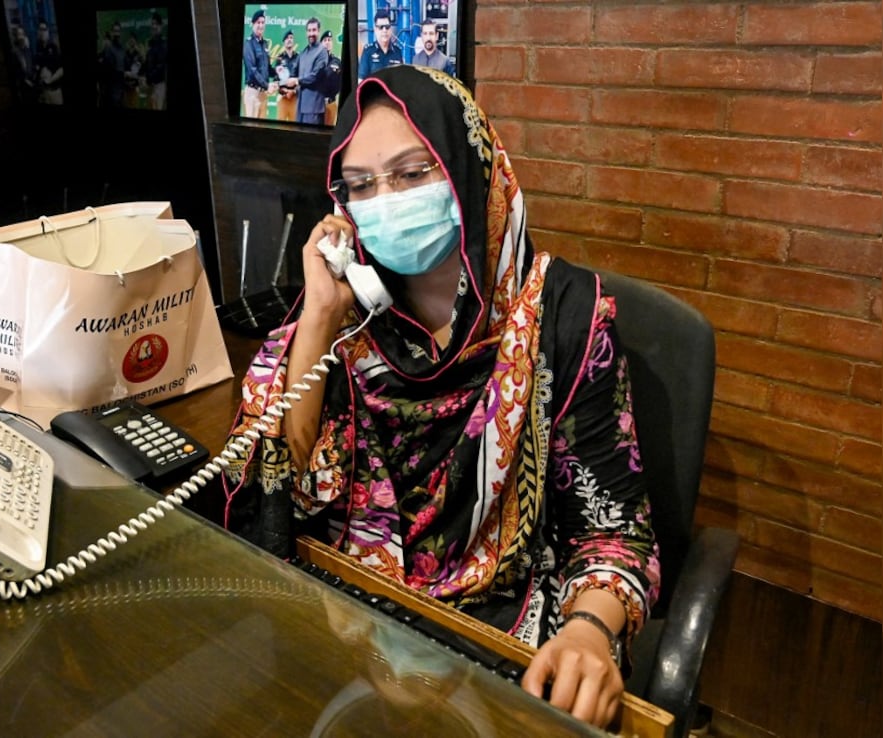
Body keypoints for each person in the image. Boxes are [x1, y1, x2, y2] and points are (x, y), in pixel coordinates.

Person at [220, 66, 660, 730]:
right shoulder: (345, 326)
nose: (385, 200)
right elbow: (261, 501)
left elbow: (612, 530)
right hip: (348, 619)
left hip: (498, 626)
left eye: (412, 173)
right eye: (360, 185)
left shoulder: (565, 318)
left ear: (468, 169)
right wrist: (318, 319)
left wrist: (589, 632)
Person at [287, 17, 328, 125]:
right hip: (300, 106)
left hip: (314, 108)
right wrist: (282, 75)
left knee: (312, 141)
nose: (311, 33)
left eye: (314, 30)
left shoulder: (322, 52)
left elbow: (315, 76)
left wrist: (296, 81)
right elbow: (293, 73)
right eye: (309, 30)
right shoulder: (303, 52)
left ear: (319, 31)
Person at [242, 9, 278, 118]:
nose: (261, 25)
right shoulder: (248, 43)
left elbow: (267, 68)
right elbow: (252, 70)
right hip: (252, 93)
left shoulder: (265, 44)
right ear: (253, 24)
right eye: (258, 22)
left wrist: (279, 72)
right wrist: (267, 85)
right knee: (251, 130)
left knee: (261, 129)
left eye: (263, 22)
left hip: (263, 95)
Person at [357, 9, 403, 81]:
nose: (384, 30)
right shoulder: (368, 51)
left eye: (387, 27)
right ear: (375, 29)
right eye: (381, 27)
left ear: (390, 29)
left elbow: (401, 79)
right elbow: (361, 80)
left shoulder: (397, 51)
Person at [272, 30, 299, 122]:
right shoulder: (279, 58)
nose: (289, 40)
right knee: (280, 127)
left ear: (293, 40)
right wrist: (283, 91)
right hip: (282, 97)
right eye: (287, 38)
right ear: (284, 41)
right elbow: (275, 79)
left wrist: (294, 91)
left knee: (295, 127)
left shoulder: (299, 57)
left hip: (295, 98)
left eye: (291, 38)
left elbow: (302, 77)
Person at [34, 21, 63, 105]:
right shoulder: (38, 47)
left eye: (44, 29)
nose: (42, 32)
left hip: (54, 91)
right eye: (40, 30)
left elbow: (61, 69)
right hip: (43, 92)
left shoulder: (54, 47)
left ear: (48, 32)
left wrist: (50, 80)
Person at [99, 22, 127, 108]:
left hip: (121, 90)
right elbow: (106, 73)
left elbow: (124, 67)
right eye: (114, 31)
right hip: (111, 92)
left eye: (118, 31)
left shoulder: (122, 50)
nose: (116, 33)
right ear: (111, 33)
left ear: (121, 33)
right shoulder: (108, 49)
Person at [319, 30, 343, 126]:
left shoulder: (337, 61)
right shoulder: (315, 61)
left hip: (331, 103)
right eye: (325, 40)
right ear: (321, 43)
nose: (327, 42)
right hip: (317, 104)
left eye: (329, 40)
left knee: (328, 135)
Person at [143, 12, 167, 110]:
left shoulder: (163, 45)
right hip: (151, 86)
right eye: (152, 24)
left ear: (161, 26)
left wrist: (148, 78)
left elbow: (161, 66)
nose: (154, 26)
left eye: (156, 24)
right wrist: (142, 76)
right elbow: (147, 64)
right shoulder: (151, 45)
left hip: (159, 85)